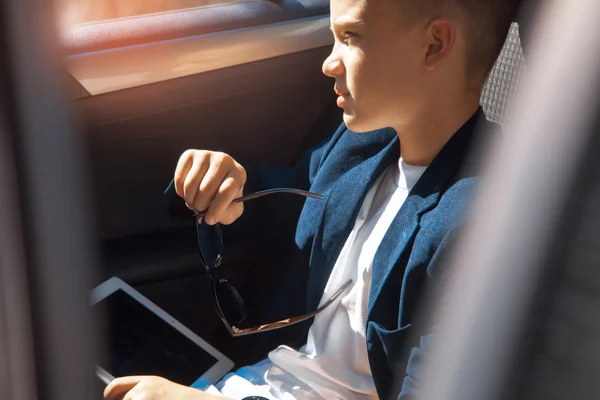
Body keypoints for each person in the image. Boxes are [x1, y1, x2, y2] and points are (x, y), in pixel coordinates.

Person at [104, 0, 522, 398]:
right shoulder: (362, 145)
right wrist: (223, 187)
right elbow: (281, 203)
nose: (328, 62)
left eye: (351, 36)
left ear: (434, 45)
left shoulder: (479, 228)